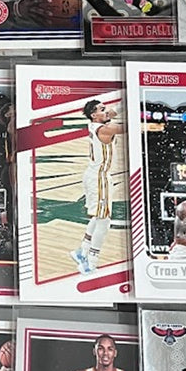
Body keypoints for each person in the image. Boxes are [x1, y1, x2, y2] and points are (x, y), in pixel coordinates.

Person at [70, 99, 123, 274]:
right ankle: (91, 261)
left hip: (96, 175)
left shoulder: (96, 124)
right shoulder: (104, 129)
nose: (106, 111)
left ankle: (82, 251)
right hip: (99, 178)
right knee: (104, 220)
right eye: (102, 109)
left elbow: (114, 112)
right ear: (94, 115)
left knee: (99, 216)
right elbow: (125, 127)